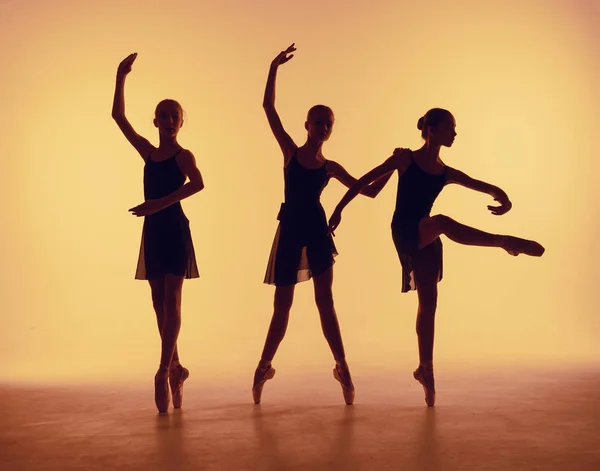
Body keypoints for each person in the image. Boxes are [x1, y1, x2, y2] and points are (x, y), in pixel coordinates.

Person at [328, 107, 544, 406]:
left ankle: (425, 369)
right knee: (442, 222)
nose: (454, 133)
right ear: (431, 129)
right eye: (450, 127)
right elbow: (363, 181)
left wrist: (503, 196)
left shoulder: (445, 172)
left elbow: (481, 185)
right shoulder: (405, 159)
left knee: (428, 304)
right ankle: (503, 241)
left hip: (427, 236)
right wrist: (338, 210)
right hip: (405, 230)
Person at [253, 44, 394, 406]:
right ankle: (262, 368)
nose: (323, 127)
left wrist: (394, 164)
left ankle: (343, 368)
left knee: (325, 302)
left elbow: (372, 191)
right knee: (281, 306)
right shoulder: (290, 151)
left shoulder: (330, 167)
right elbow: (268, 109)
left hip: (317, 231)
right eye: (318, 122)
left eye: (328, 123)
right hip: (290, 231)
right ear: (307, 125)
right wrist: (273, 68)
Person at [111, 53, 205, 413]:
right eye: (163, 115)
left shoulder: (183, 155)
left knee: (173, 300)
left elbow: (198, 184)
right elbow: (119, 118)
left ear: (181, 123)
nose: (168, 120)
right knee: (158, 303)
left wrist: (157, 204)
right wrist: (121, 76)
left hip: (174, 229)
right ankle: (178, 366)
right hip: (153, 232)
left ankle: (163, 368)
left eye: (174, 116)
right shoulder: (149, 153)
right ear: (155, 121)